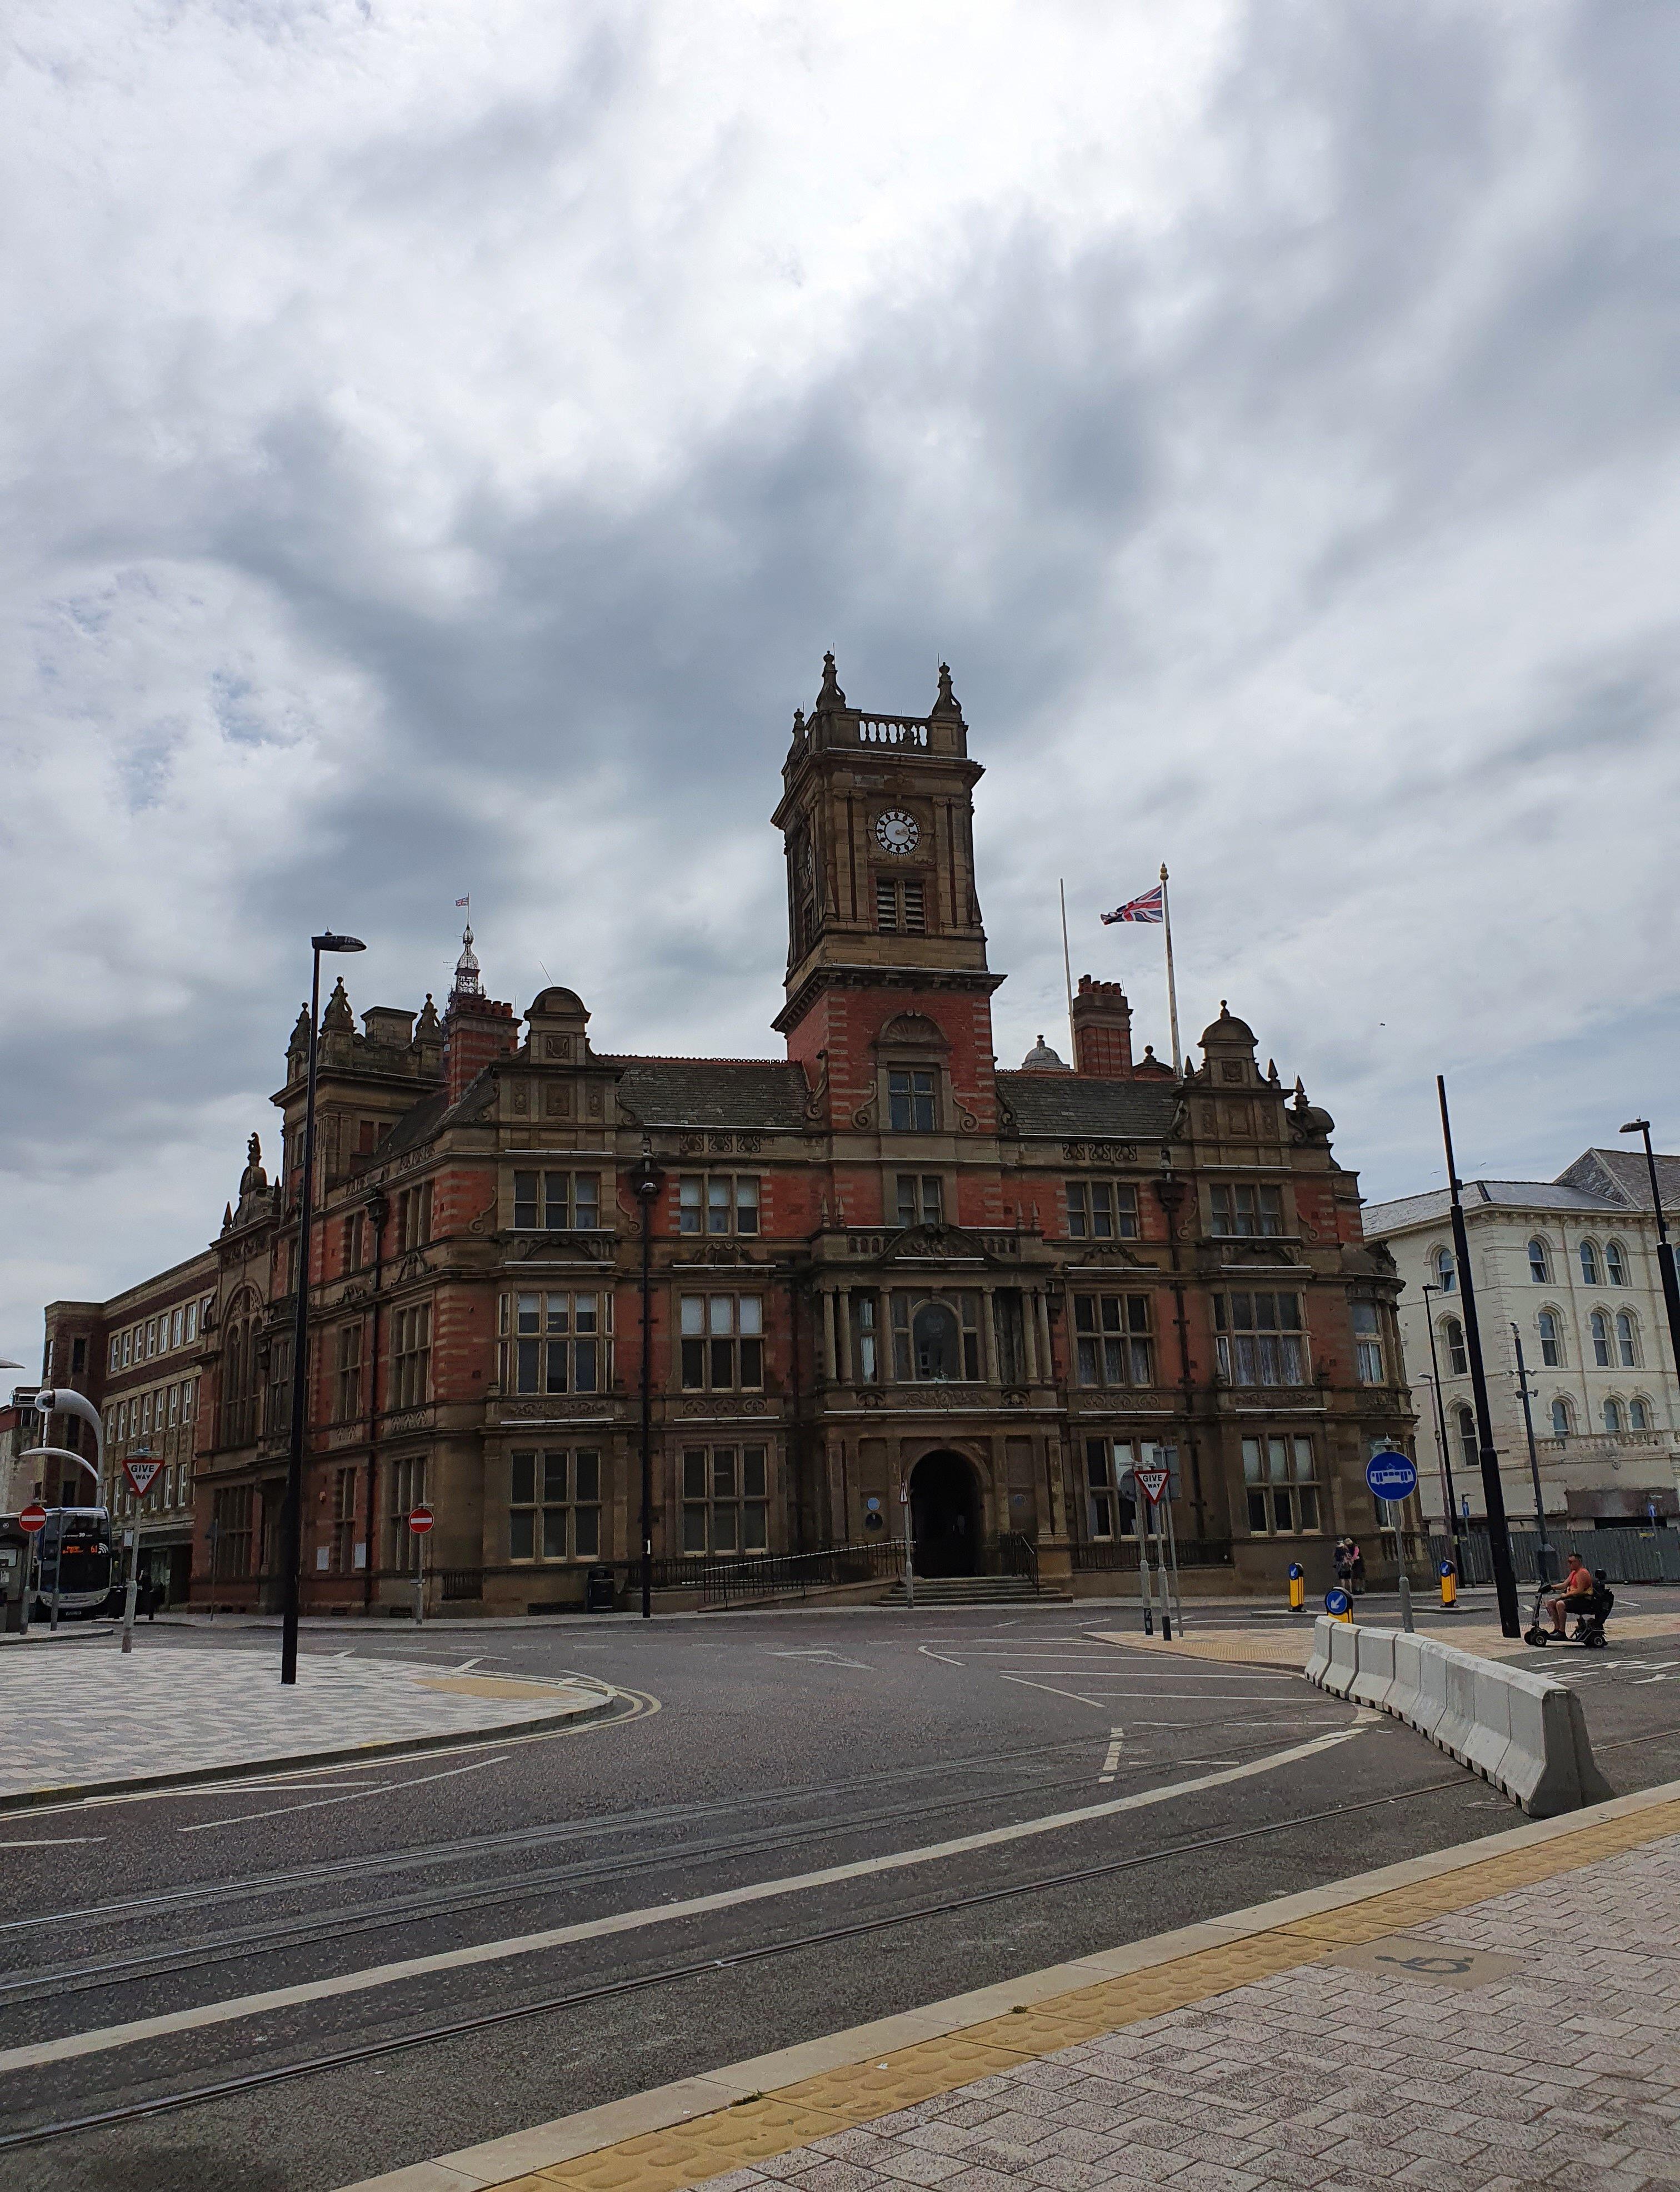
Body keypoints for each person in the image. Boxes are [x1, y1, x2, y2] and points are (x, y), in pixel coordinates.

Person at [1548, 1552, 1598, 1635]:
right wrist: (1551, 1587)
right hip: (1575, 1598)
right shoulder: (1574, 1573)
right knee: (1550, 1603)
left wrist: (1566, 1595)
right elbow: (1564, 1584)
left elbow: (1580, 1591)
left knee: (1560, 1604)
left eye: (1571, 1562)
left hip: (1584, 1600)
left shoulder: (1582, 1573)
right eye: (1569, 1562)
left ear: (1578, 1562)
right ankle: (1557, 1629)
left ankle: (1562, 1632)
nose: (1569, 1564)